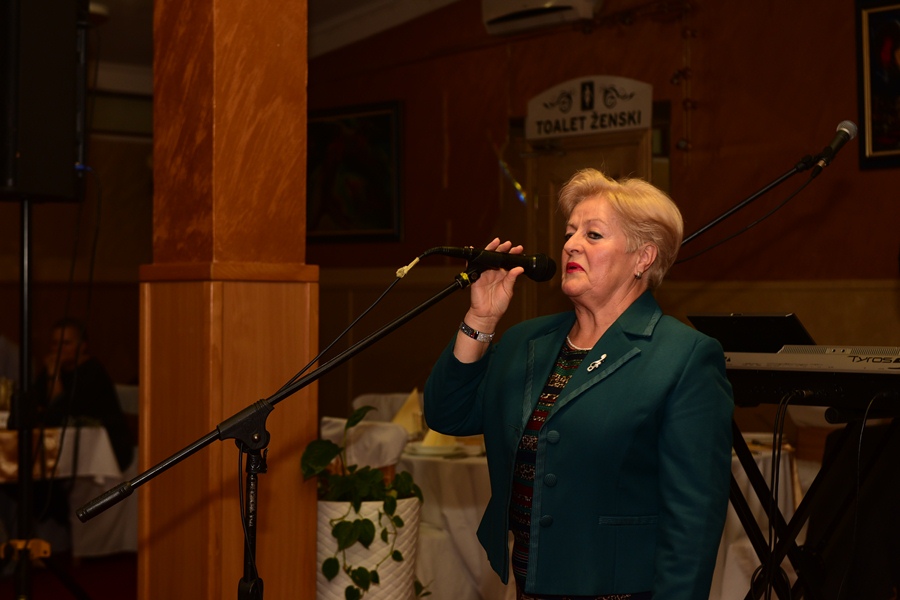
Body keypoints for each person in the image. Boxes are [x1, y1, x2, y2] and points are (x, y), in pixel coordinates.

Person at [424, 168, 734, 599]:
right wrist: (481, 319)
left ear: (643, 258)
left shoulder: (684, 357)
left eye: (593, 235)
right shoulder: (525, 341)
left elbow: (693, 522)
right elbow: (447, 414)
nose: (571, 244)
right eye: (570, 232)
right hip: (529, 587)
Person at [32, 318, 134, 472]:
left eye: (66, 343)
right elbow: (36, 405)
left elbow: (60, 412)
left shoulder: (93, 372)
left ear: (83, 345)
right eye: (55, 343)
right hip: (64, 447)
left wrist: (54, 376)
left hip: (103, 451)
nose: (59, 349)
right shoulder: (51, 370)